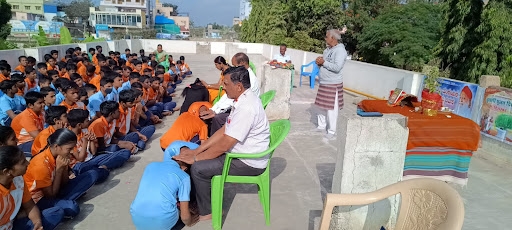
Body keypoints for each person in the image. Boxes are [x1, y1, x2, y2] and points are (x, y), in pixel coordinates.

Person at [173, 66, 270, 220]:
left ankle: (207, 212)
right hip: (241, 154)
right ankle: (197, 201)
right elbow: (225, 130)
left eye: (226, 84)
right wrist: (197, 151)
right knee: (196, 155)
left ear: (238, 86)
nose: (222, 88)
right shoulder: (242, 99)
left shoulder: (247, 107)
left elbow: (225, 144)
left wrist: (196, 158)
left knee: (198, 168)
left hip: (248, 162)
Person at [24, 128, 108, 218]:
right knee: (73, 208)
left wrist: (64, 167)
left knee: (92, 174)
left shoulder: (60, 156)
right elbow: (51, 195)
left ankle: (66, 200)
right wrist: (59, 169)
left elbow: (65, 183)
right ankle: (61, 204)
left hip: (56, 189)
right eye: (69, 148)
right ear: (56, 147)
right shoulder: (40, 164)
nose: (72, 152)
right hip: (40, 199)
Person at [130, 142, 198, 229]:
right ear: (184, 168)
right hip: (163, 220)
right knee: (183, 215)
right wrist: (190, 221)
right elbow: (185, 217)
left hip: (137, 217)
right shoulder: (184, 176)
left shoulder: (150, 166)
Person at [0, 146, 65, 230]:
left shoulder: (18, 180)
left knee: (56, 213)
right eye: (23, 162)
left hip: (11, 223)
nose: (28, 163)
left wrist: (37, 223)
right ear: (7, 172)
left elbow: (30, 206)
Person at [199, 53, 261, 135]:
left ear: (242, 63)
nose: (233, 68)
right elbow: (228, 95)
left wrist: (216, 112)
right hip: (238, 107)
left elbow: (234, 100)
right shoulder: (241, 75)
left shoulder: (249, 80)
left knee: (217, 118)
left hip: (243, 113)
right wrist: (214, 109)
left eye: (235, 66)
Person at [68, 109, 129, 174]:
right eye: (87, 121)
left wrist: (92, 141)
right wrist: (85, 141)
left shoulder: (85, 130)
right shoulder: (69, 138)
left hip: (92, 159)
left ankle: (103, 167)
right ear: (79, 125)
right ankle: (101, 169)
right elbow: (80, 159)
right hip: (81, 164)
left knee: (125, 152)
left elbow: (93, 152)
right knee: (94, 173)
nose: (89, 122)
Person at [314, 29, 347, 140]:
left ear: (333, 38)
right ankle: (321, 125)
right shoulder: (327, 50)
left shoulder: (340, 51)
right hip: (324, 82)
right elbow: (326, 64)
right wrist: (319, 63)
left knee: (332, 109)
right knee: (320, 106)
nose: (325, 38)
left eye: (327, 36)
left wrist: (323, 62)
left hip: (333, 83)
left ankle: (332, 131)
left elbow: (337, 67)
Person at [12, 91, 45, 157]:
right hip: (23, 144)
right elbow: (37, 136)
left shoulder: (40, 113)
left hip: (33, 140)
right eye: (40, 103)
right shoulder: (26, 116)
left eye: (43, 102)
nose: (43, 104)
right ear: (30, 105)